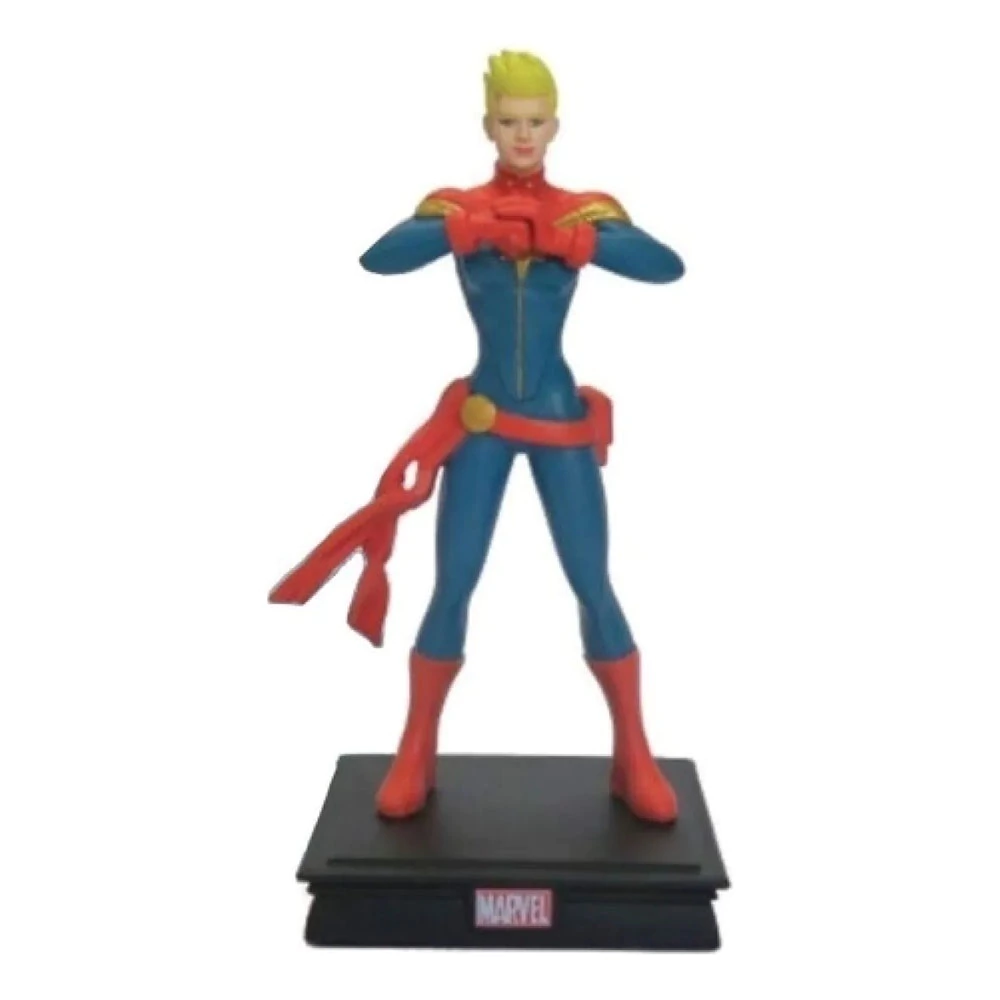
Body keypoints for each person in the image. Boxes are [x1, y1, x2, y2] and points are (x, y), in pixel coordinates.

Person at [270, 51, 685, 823]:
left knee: (593, 583)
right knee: (454, 581)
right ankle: (415, 749)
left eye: (535, 121)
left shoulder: (583, 212)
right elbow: (380, 257)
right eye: (509, 120)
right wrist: (463, 229)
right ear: (488, 125)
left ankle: (634, 755)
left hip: (556, 419)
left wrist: (577, 244)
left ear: (554, 127)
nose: (522, 134)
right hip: (484, 420)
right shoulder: (455, 205)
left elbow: (665, 266)